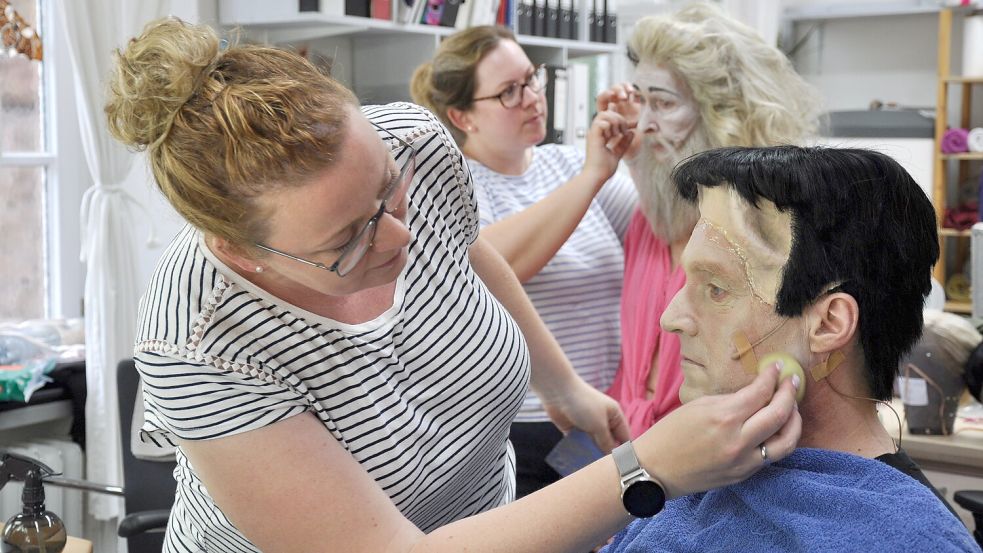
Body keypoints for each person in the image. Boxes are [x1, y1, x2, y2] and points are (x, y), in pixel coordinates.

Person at [106, 17, 804, 553]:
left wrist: (560, 383)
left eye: (389, 194)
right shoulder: (200, 336)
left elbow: (466, 257)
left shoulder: (412, 142)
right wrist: (645, 467)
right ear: (239, 249)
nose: (399, 239)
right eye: (346, 240)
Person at [601, 146, 978, 552]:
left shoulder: (910, 540)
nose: (671, 319)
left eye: (717, 289)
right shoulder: (690, 480)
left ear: (829, 324)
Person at [411, 26, 637, 496]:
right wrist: (593, 175)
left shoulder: (568, 165)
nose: (533, 97)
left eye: (531, 80)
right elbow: (493, 264)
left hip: (605, 412)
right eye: (509, 92)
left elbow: (661, 223)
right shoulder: (454, 187)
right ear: (462, 116)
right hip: (521, 428)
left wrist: (647, 144)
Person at [595, 3, 825, 439]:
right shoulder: (650, 218)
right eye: (639, 100)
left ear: (722, 113)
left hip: (711, 457)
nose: (643, 124)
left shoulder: (766, 232)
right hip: (623, 448)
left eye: (662, 103)